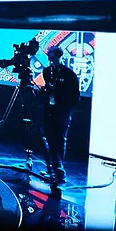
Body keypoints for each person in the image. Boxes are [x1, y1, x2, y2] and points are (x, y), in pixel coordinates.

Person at [40, 45, 80, 185]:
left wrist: (57, 93)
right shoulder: (46, 71)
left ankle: (59, 173)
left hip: (62, 112)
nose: (48, 54)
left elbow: (74, 96)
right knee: (49, 140)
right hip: (49, 111)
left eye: (51, 52)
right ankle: (52, 169)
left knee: (59, 141)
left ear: (58, 54)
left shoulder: (69, 74)